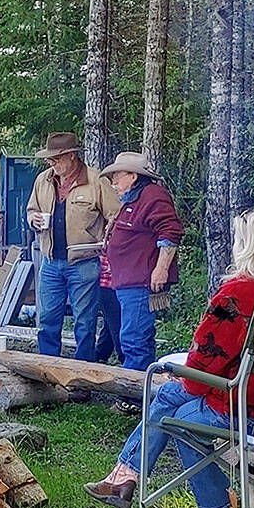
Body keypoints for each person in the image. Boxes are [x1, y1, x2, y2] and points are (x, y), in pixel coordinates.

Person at [84, 205, 254, 508]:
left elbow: (199, 374)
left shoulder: (241, 293)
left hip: (249, 409)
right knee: (175, 407)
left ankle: (159, 489)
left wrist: (185, 379)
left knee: (174, 407)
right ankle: (158, 492)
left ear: (250, 247)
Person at [25, 132, 119, 363]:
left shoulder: (97, 181)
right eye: (50, 159)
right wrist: (33, 219)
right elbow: (30, 210)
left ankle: (81, 375)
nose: (51, 163)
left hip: (84, 263)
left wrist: (106, 241)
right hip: (49, 262)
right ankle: (49, 372)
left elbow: (115, 216)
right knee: (47, 319)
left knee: (84, 323)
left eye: (56, 158)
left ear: (72, 156)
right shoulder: (43, 180)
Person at [100, 152, 184, 373]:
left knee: (134, 341)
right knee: (132, 338)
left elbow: (171, 231)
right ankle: (139, 393)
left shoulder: (153, 196)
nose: (113, 182)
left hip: (140, 283)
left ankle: (135, 397)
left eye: (117, 176)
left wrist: (161, 269)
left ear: (134, 176)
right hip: (129, 282)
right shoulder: (135, 199)